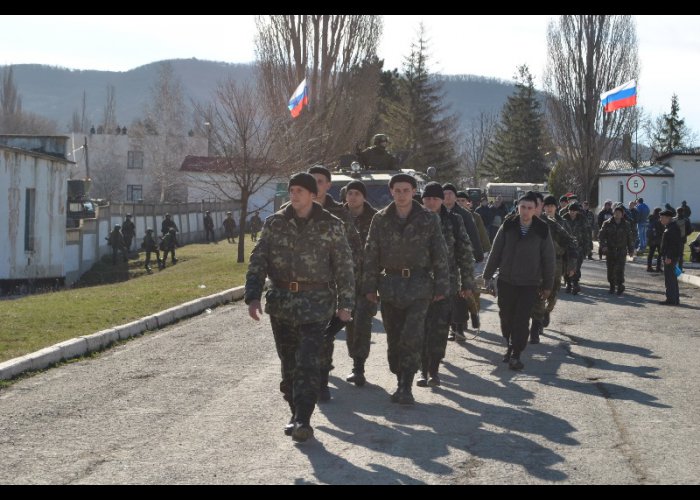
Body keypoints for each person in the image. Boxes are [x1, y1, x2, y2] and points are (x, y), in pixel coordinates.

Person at [244, 172, 354, 442]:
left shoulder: (331, 225)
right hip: (282, 304)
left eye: (299, 191)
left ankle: (304, 418)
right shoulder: (274, 223)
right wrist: (253, 295)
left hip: (316, 305)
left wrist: (346, 304)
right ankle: (294, 413)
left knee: (308, 362)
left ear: (312, 195)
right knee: (289, 364)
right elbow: (258, 260)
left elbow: (344, 267)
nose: (294, 195)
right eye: (291, 190)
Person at [362, 173, 450, 404]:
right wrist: (369, 286)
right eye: (397, 190)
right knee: (394, 339)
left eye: (406, 190)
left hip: (419, 286)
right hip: (390, 286)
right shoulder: (380, 219)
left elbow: (439, 253)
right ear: (391, 191)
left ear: (414, 192)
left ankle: (405, 386)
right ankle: (399, 373)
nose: (401, 195)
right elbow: (371, 254)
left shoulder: (429, 219)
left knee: (412, 336)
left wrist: (442, 285)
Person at [306, 165, 363, 402]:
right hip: (298, 286)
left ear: (329, 185)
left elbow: (355, 249)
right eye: (312, 181)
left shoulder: (340, 213)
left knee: (323, 335)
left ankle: (321, 380)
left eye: (320, 181)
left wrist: (344, 279)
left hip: (328, 286)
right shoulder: (293, 210)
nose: (316, 185)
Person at [483, 192, 555, 371]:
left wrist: (547, 285)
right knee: (506, 316)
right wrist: (487, 275)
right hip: (507, 280)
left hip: (529, 282)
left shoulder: (542, 229)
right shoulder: (508, 225)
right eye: (523, 207)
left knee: (522, 319)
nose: (526, 211)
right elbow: (496, 251)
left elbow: (548, 258)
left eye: (530, 208)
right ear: (518, 207)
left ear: (535, 209)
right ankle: (509, 344)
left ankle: (516, 354)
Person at [418, 182, 474, 387]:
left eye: (435, 198)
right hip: (418, 286)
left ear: (442, 200)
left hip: (446, 284)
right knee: (420, 329)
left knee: (439, 330)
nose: (431, 202)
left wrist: (467, 282)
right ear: (422, 199)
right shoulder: (414, 219)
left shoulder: (454, 221)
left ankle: (434, 369)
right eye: (428, 198)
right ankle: (422, 371)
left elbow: (465, 253)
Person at [342, 180, 378, 387]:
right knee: (336, 324)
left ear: (363, 196)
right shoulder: (337, 216)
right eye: (349, 193)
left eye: (356, 193)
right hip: (339, 281)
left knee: (360, 325)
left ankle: (358, 367)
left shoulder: (375, 218)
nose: (352, 197)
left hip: (365, 281)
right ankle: (322, 366)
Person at [530, 194, 578, 343]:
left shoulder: (556, 223)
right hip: (535, 265)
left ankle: (546, 312)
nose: (549, 208)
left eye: (552, 206)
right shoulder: (527, 221)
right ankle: (536, 324)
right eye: (547, 206)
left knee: (553, 293)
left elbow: (571, 242)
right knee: (536, 295)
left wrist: (571, 264)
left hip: (555, 263)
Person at [442, 183, 483, 341]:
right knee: (451, 296)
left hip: (462, 260)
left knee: (462, 294)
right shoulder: (437, 213)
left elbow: (473, 234)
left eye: (451, 194)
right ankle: (455, 327)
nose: (448, 197)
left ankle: (461, 326)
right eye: (445, 194)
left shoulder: (463, 215)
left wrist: (478, 254)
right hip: (445, 261)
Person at [598, 206, 635, 295]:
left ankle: (620, 285)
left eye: (619, 212)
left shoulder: (626, 224)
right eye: (616, 212)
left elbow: (630, 238)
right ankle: (612, 285)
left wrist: (631, 249)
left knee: (620, 269)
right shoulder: (607, 223)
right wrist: (603, 246)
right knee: (610, 268)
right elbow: (601, 236)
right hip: (610, 250)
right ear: (613, 213)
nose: (617, 214)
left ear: (622, 214)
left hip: (621, 251)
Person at [562, 202, 591, 295]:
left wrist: (587, 246)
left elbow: (587, 234)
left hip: (579, 247)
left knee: (577, 266)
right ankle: (568, 283)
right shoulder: (564, 219)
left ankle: (575, 283)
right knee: (566, 265)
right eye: (571, 210)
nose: (572, 212)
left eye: (574, 211)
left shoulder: (582, 220)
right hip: (566, 247)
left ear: (577, 211)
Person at [658, 208, 682, 306]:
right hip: (670, 257)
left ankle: (671, 299)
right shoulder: (670, 227)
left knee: (670, 279)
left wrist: (669, 257)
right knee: (672, 278)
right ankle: (675, 299)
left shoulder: (672, 229)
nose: (660, 220)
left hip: (670, 257)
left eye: (662, 217)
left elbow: (673, 245)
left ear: (668, 218)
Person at [646, 207, 664, 272]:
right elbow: (662, 230)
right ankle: (658, 267)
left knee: (651, 253)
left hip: (651, 239)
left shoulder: (650, 219)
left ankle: (649, 267)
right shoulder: (659, 220)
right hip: (658, 239)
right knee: (660, 253)